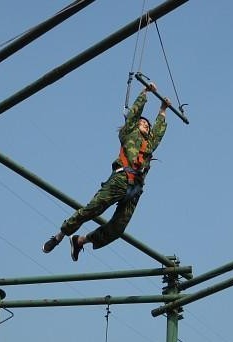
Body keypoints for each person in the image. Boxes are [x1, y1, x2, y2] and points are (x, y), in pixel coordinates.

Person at [42, 82, 170, 261]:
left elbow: (157, 133)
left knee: (117, 228)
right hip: (121, 179)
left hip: (135, 189)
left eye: (147, 125)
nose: (145, 125)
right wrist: (145, 93)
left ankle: (80, 241)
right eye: (142, 123)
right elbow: (134, 114)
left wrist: (163, 109)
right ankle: (58, 237)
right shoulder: (128, 133)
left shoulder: (149, 144)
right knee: (92, 210)